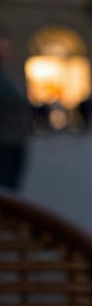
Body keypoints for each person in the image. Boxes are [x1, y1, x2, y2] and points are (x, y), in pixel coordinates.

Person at [0, 31, 31, 190]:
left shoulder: (8, 77)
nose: (7, 51)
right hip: (4, 144)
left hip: (14, 142)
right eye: (3, 46)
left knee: (11, 189)